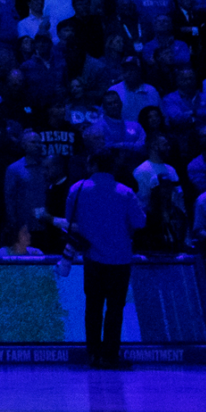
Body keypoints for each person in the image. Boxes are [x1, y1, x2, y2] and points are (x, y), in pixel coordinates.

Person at [63, 153, 145, 369]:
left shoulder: (78, 189)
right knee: (115, 308)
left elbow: (70, 221)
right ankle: (110, 355)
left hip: (92, 257)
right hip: (120, 259)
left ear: (92, 163)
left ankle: (93, 354)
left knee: (93, 307)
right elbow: (140, 222)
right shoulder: (125, 192)